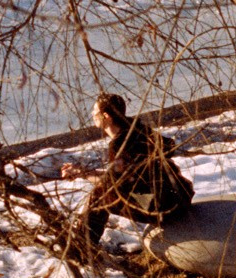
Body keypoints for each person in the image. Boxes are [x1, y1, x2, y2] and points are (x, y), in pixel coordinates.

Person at [59, 93, 194, 251]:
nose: (91, 115)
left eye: (94, 112)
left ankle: (82, 250)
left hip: (164, 208)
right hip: (180, 197)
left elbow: (112, 183)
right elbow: (122, 174)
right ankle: (82, 243)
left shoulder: (119, 145)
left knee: (99, 197)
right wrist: (85, 171)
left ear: (106, 116)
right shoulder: (137, 130)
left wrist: (82, 173)